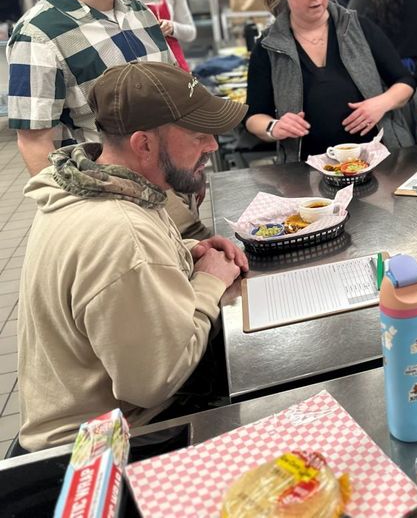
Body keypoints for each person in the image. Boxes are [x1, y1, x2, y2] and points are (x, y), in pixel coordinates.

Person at [13, 62, 248, 453]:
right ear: (144, 145)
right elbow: (157, 380)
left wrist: (188, 255)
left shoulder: (97, 186)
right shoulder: (121, 233)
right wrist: (209, 280)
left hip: (100, 415)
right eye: (198, 135)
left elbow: (117, 281)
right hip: (100, 448)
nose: (213, 146)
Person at [6, 0, 174, 175]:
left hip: (167, 177)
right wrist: (72, 210)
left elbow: (170, 97)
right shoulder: (39, 35)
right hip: (107, 193)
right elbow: (35, 142)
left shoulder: (138, 12)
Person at [246, 0, 417, 161]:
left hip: (378, 160)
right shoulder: (269, 47)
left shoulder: (358, 28)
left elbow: (405, 81)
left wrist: (380, 104)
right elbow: (253, 117)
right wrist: (273, 127)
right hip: (306, 170)